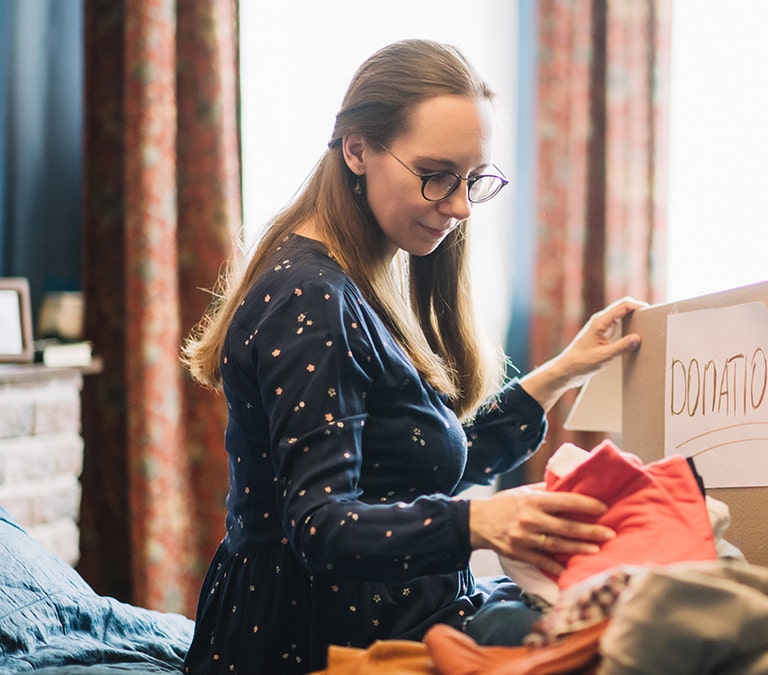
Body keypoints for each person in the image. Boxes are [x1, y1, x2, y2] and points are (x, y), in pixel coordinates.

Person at [180, 38, 645, 673]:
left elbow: (417, 466)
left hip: (400, 613)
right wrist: (479, 522)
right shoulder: (309, 298)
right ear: (357, 150)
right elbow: (321, 527)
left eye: (471, 181)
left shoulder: (357, 278)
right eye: (435, 176)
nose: (457, 207)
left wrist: (564, 371)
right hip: (310, 639)